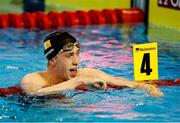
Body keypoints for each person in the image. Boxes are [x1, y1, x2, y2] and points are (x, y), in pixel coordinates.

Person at [21, 30, 164, 97]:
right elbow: (35, 93)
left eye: (77, 54)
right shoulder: (33, 79)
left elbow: (117, 81)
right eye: (69, 55)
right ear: (52, 59)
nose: (77, 61)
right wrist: (79, 81)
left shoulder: (89, 73)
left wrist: (145, 86)